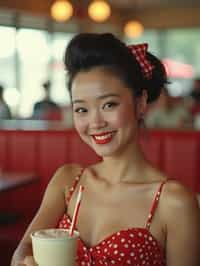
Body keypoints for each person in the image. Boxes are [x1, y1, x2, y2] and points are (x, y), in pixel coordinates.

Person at [11, 33, 200, 266]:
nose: (95, 122)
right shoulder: (68, 181)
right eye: (81, 109)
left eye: (109, 104)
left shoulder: (174, 201)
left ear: (140, 103)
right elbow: (24, 249)